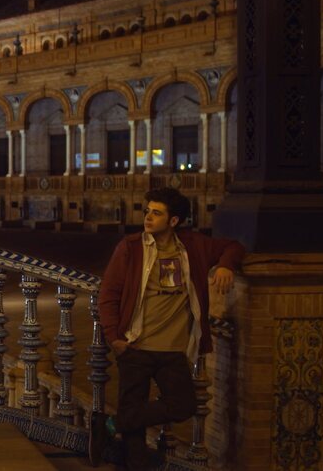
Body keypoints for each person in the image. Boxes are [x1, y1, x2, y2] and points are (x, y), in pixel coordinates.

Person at [88, 187, 245, 469]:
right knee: (134, 423)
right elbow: (109, 294)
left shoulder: (194, 246)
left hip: (173, 350)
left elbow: (233, 246)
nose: (148, 217)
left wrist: (225, 266)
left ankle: (109, 424)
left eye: (156, 213)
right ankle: (134, 462)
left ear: (174, 221)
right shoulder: (131, 247)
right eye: (147, 210)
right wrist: (114, 337)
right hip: (134, 345)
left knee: (183, 405)